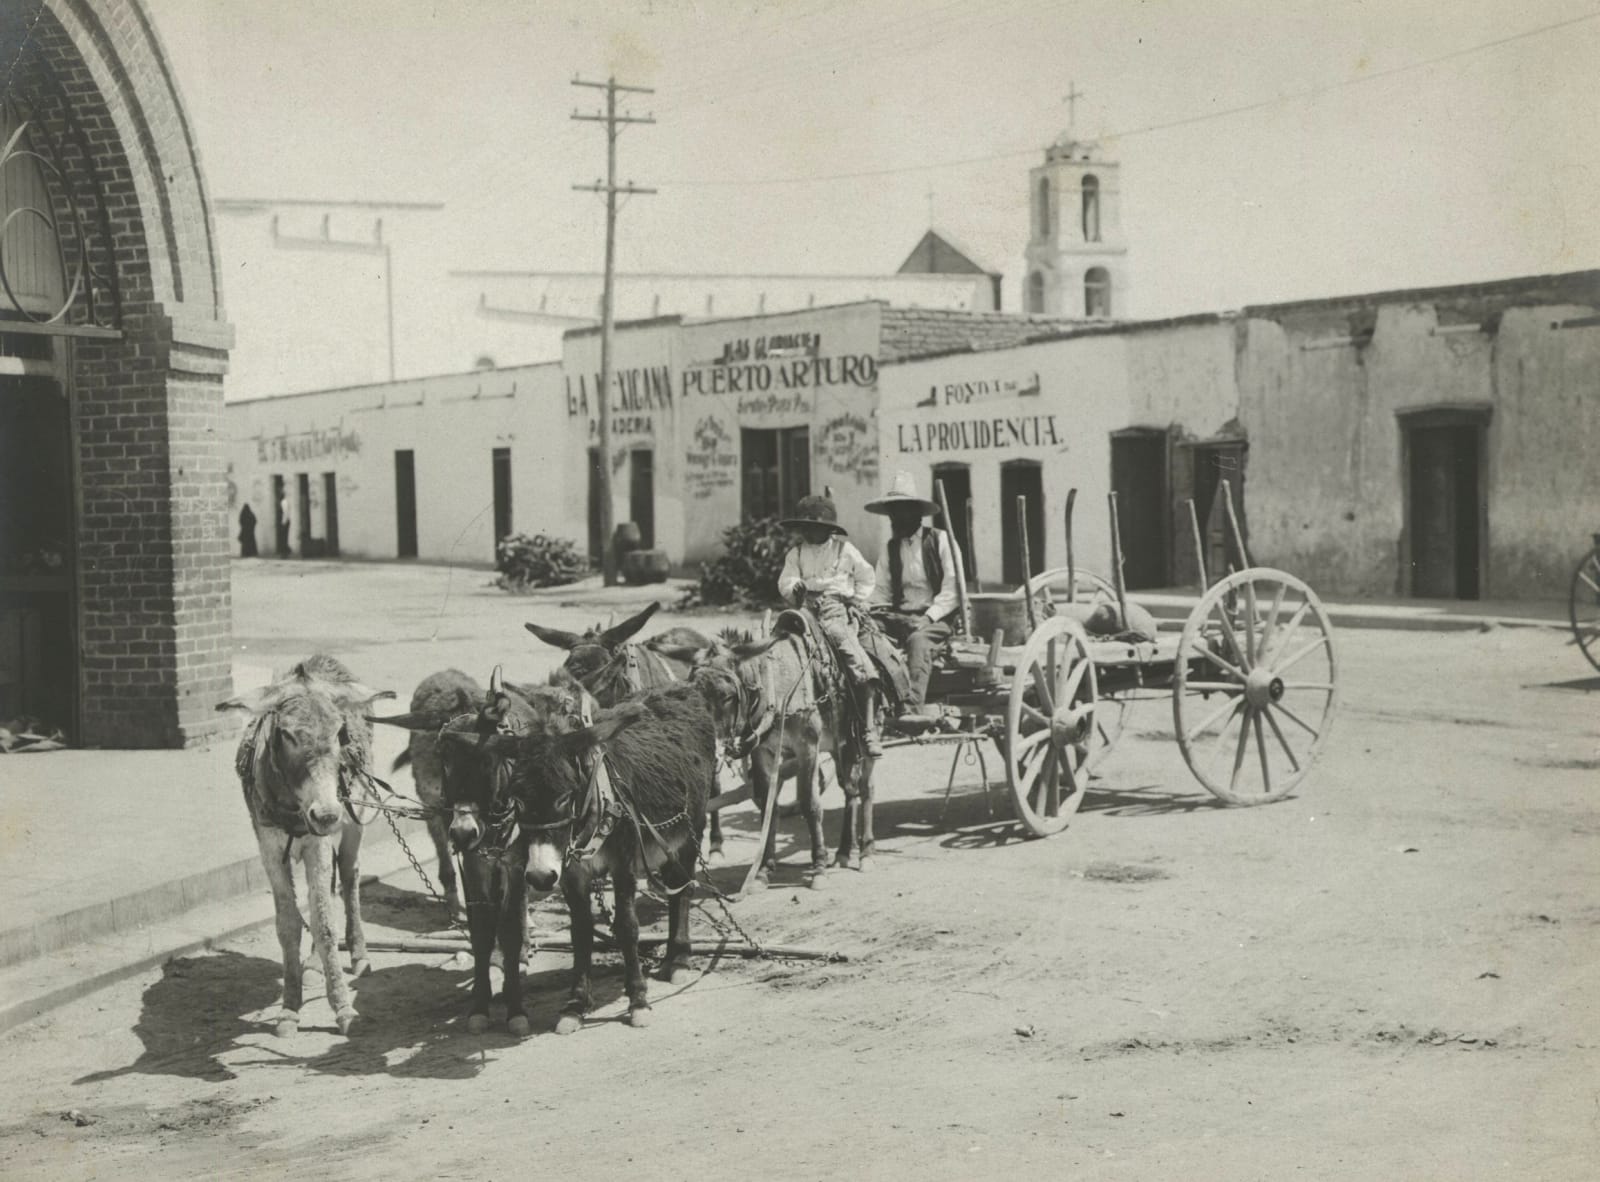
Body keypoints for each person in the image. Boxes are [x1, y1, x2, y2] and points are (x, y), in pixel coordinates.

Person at [776, 493, 884, 757]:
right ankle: (778, 722)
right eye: (804, 528)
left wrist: (858, 602)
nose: (808, 533)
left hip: (834, 611)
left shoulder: (845, 551)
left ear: (826, 529)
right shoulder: (797, 553)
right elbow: (785, 581)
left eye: (813, 528)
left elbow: (867, 578)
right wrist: (794, 587)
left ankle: (868, 728)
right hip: (803, 609)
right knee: (778, 650)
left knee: (853, 657)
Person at [866, 471, 961, 729]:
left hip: (937, 618)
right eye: (893, 511)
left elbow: (953, 590)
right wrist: (867, 609)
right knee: (865, 633)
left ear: (916, 512)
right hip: (900, 616)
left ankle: (910, 711)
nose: (897, 517)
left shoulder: (941, 541)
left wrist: (928, 618)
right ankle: (871, 705)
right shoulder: (890, 548)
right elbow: (881, 591)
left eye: (903, 510)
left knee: (918, 641)